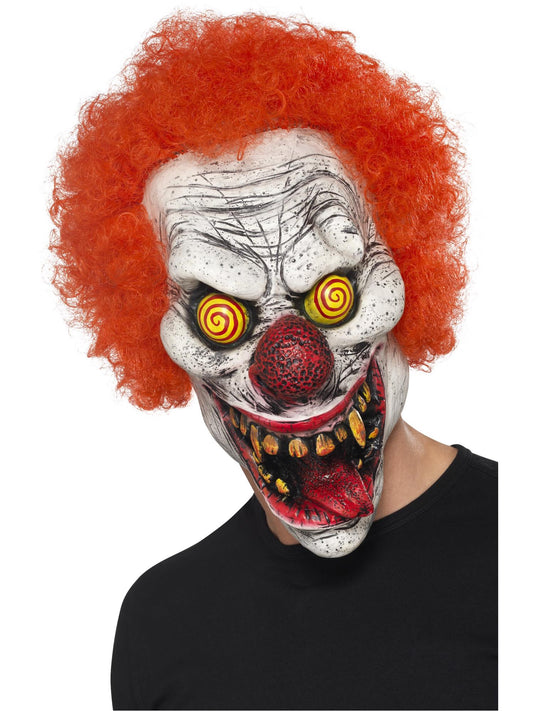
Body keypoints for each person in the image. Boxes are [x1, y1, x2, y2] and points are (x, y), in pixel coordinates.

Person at [49, 13, 497, 710]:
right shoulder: (162, 624)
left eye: (332, 290)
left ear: (405, 264)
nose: (296, 369)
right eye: (220, 316)